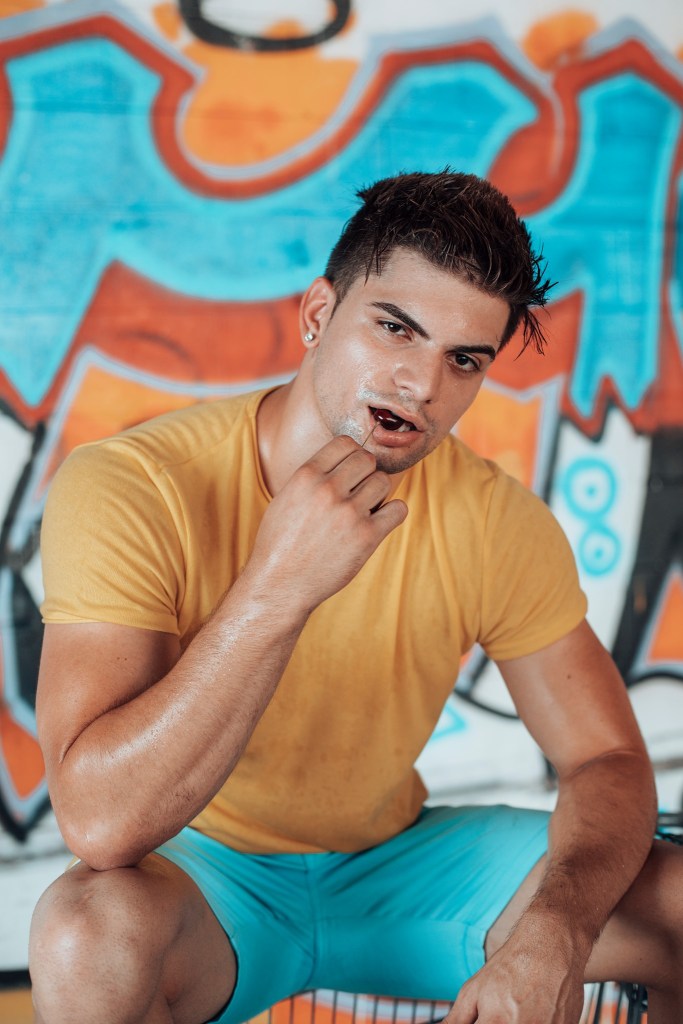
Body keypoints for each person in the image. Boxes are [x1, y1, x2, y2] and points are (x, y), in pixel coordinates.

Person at [30, 171, 682, 1024]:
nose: (421, 384)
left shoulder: (491, 517)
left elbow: (607, 759)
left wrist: (553, 935)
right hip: (204, 878)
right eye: (394, 329)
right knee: (83, 936)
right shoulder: (133, 486)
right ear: (316, 314)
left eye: (463, 360)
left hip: (397, 871)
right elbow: (99, 827)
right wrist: (278, 586)